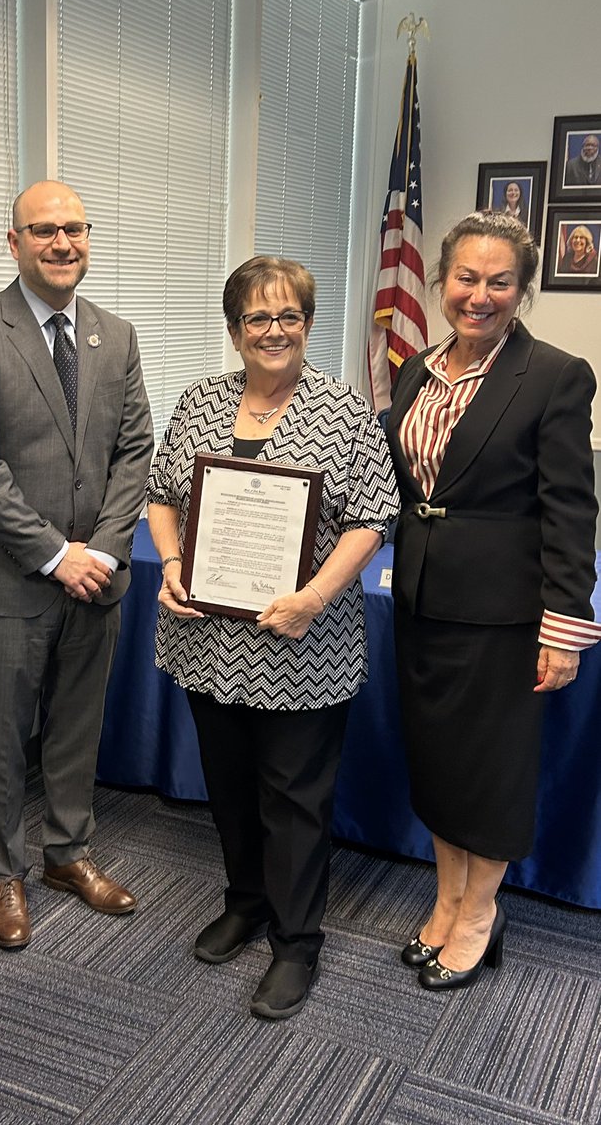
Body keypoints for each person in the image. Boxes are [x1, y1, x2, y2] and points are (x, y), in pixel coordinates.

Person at [146, 256, 399, 1020]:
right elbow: (162, 496)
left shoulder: (344, 411)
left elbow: (373, 519)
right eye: (258, 318)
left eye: (290, 316)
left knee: (294, 798)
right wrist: (173, 562)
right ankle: (246, 902)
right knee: (229, 786)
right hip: (209, 640)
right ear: (234, 330)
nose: (275, 330)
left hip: (303, 645)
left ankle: (296, 942)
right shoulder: (198, 400)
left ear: (309, 324)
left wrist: (314, 597)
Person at [0, 180, 154, 950]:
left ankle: (67, 853)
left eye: (75, 229)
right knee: (2, 738)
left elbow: (134, 453)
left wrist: (106, 549)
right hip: (6, 581)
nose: (63, 243)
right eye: (44, 230)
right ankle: (4, 873)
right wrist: (58, 555)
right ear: (14, 242)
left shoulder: (115, 336)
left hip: (97, 576)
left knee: (75, 727)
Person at [385, 211, 600, 992]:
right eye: (466, 278)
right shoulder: (415, 369)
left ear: (522, 289)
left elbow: (573, 511)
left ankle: (481, 913)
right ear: (443, 280)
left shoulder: (554, 374)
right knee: (439, 764)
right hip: (419, 599)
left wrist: (566, 630)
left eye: (499, 281)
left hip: (506, 615)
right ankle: (446, 899)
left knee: (492, 771)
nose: (479, 295)